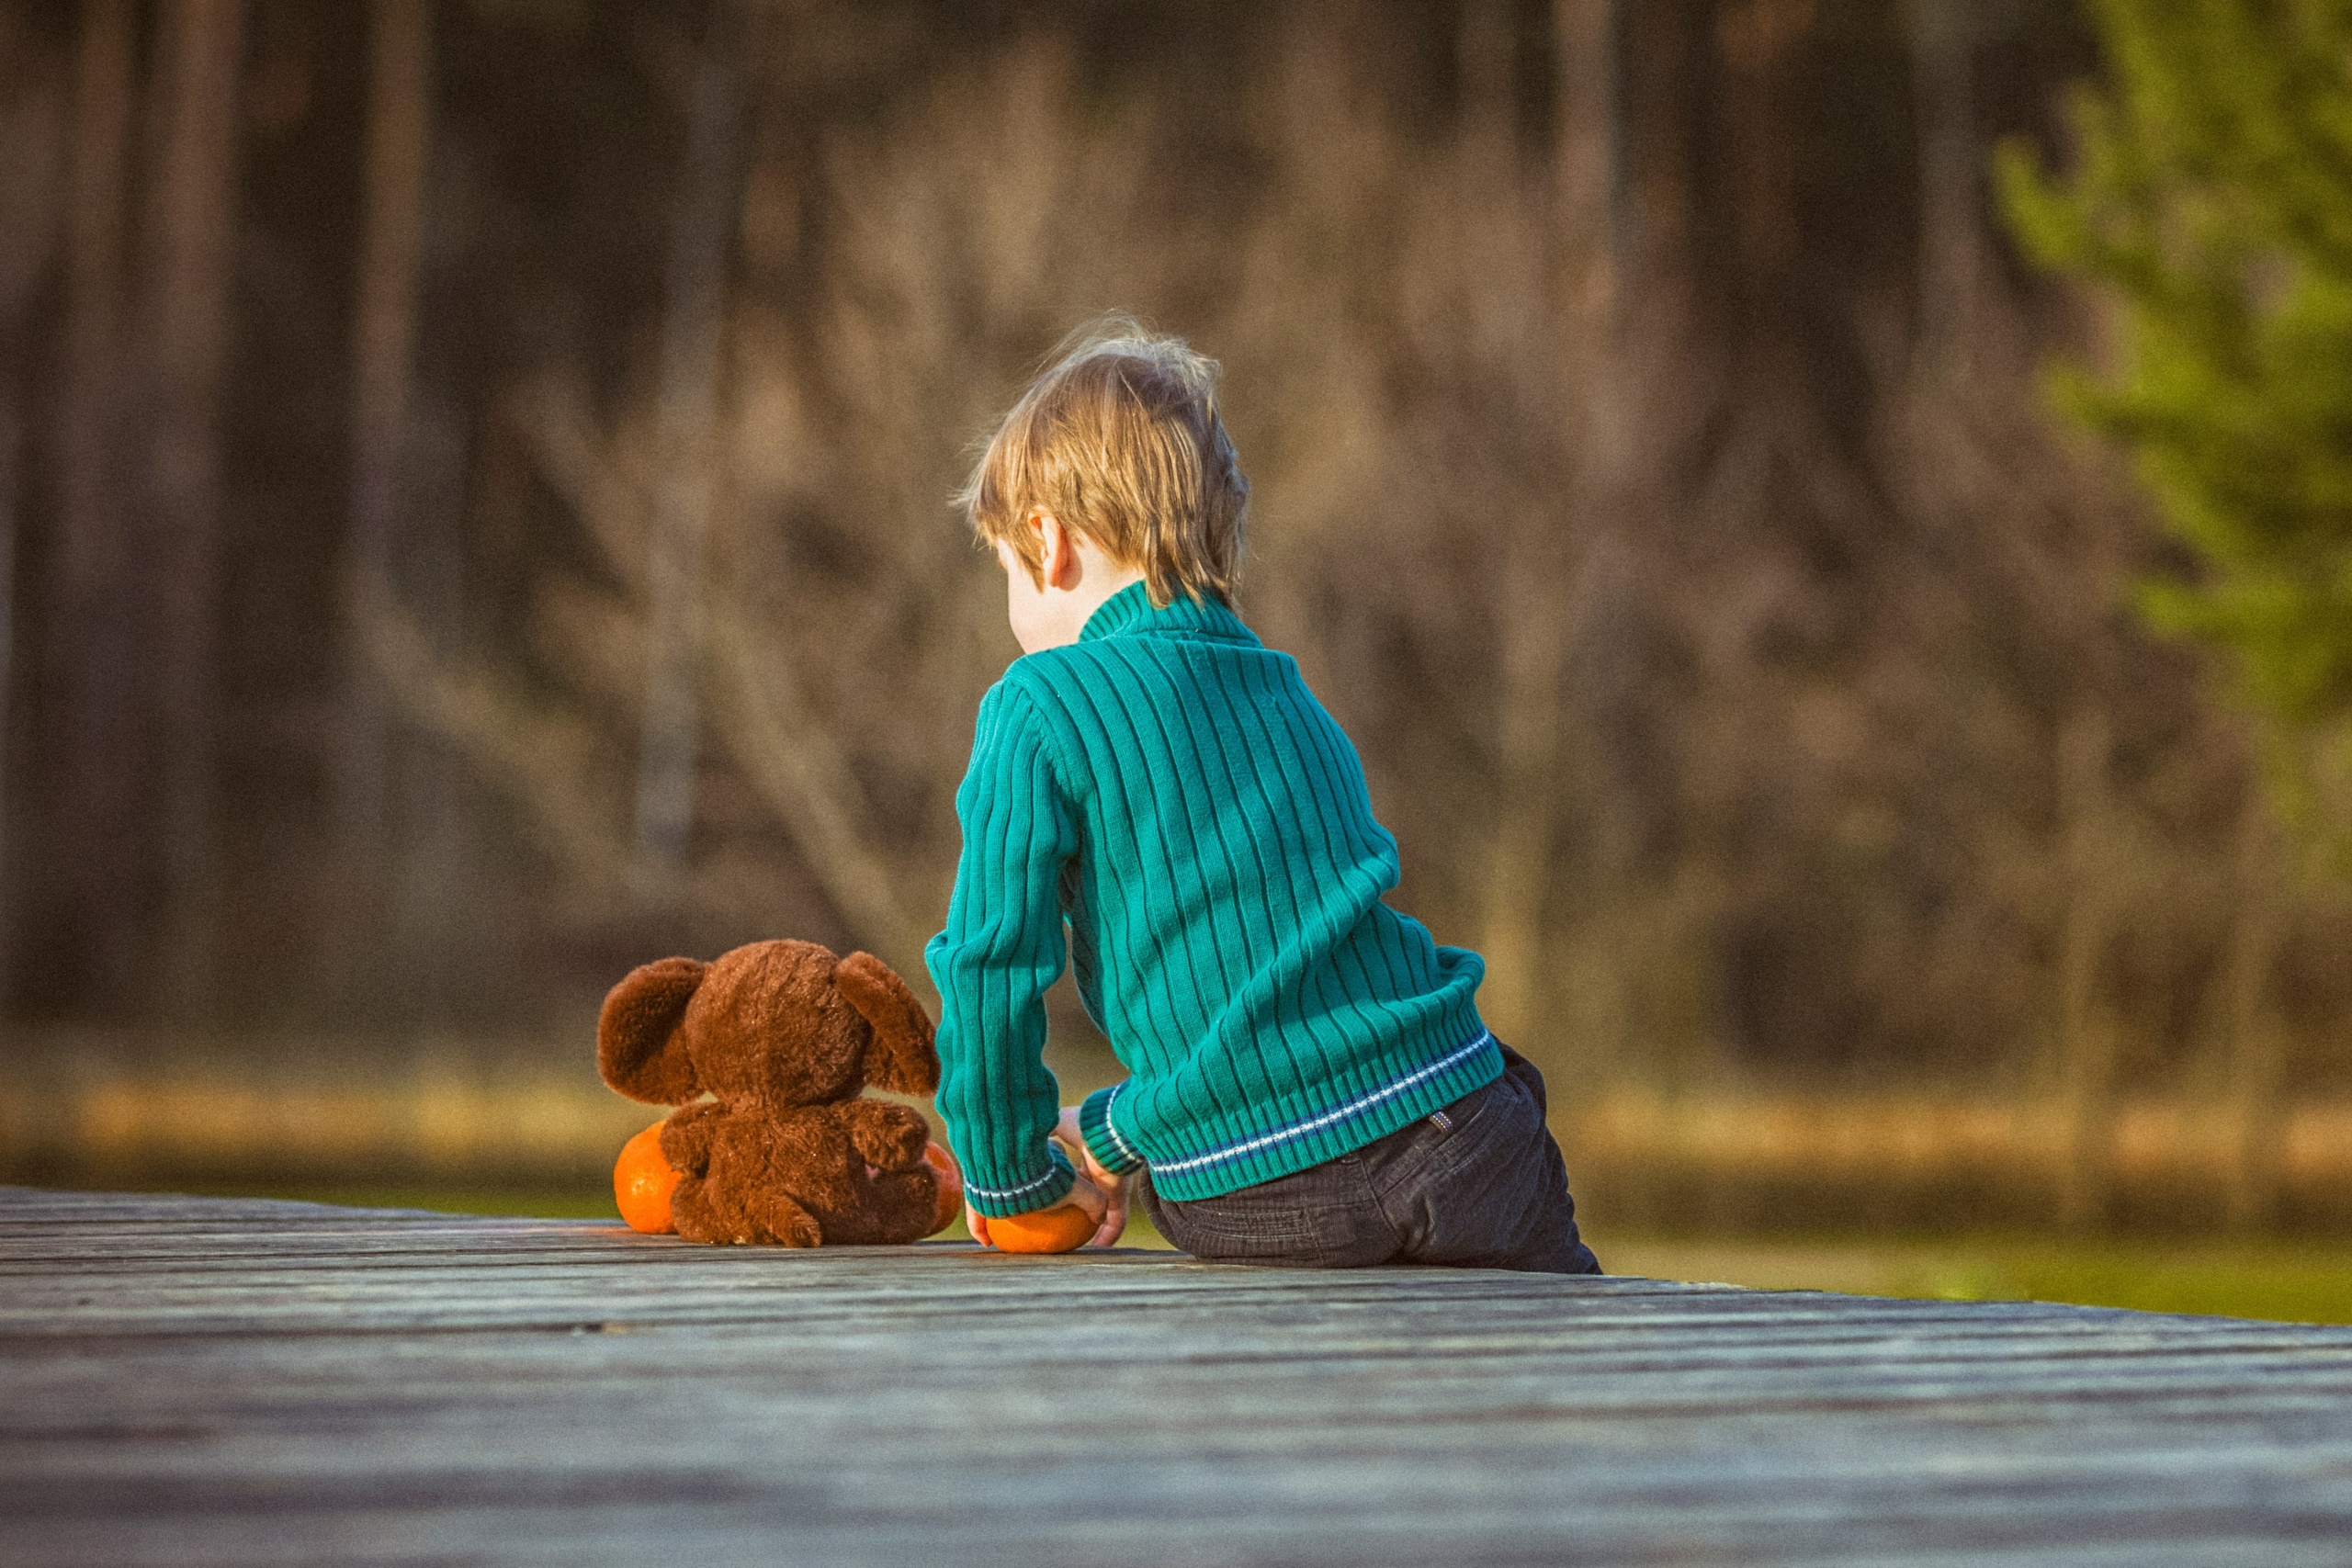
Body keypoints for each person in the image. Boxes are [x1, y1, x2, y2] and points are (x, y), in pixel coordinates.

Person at [924, 318, 1601, 1274]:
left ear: (1046, 540)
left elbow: (989, 967)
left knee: (1219, 1225)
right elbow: (1288, 990)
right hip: (1465, 1119)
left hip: (1266, 1186)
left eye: (1003, 569)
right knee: (1571, 1366)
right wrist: (1113, 1129)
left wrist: (1008, 1178)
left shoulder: (1037, 703)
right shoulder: (1286, 693)